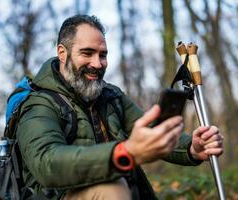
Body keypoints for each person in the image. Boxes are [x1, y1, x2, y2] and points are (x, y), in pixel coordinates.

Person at [16, 14, 224, 200]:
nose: (97, 64)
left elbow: (149, 131)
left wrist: (192, 148)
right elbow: (47, 164)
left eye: (103, 55)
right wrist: (124, 152)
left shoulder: (110, 95)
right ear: (62, 53)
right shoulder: (39, 103)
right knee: (112, 190)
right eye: (87, 53)